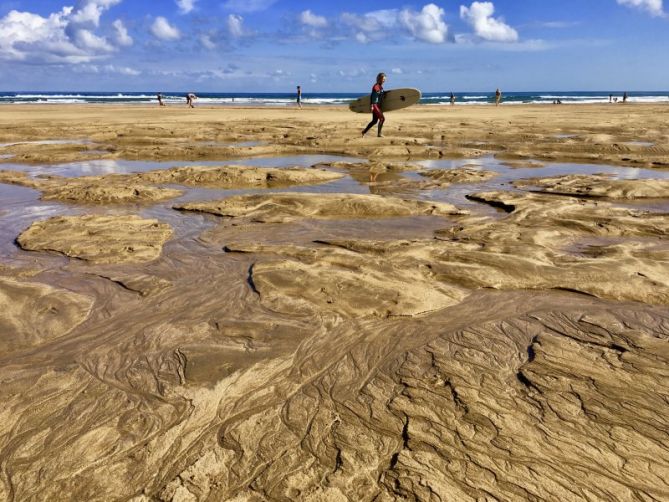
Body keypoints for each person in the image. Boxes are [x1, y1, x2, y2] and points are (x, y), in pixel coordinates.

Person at [362, 72, 386, 138]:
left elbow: (381, 95)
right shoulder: (376, 86)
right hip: (375, 105)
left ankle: (363, 132)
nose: (384, 80)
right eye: (383, 79)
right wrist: (372, 105)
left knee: (374, 121)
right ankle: (379, 134)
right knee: (382, 119)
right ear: (379, 78)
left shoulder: (380, 87)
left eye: (385, 79)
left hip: (378, 105)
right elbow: (373, 96)